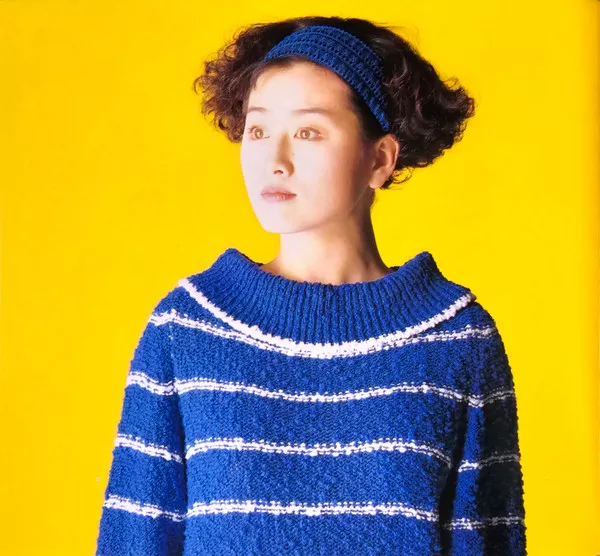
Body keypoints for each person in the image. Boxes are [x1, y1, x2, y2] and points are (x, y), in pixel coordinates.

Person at [95, 16, 527, 555]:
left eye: (308, 132)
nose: (274, 161)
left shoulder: (457, 337)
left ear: (380, 159)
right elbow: (132, 539)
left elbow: (490, 540)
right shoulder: (186, 327)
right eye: (258, 131)